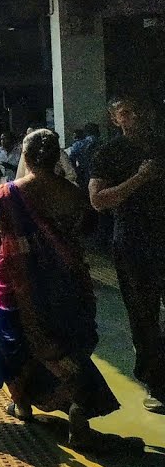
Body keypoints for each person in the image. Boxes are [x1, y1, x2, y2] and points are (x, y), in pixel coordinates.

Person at [0, 130, 119, 448]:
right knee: (69, 342)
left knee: (19, 343)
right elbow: (84, 236)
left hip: (17, 283)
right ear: (55, 158)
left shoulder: (7, 194)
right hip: (66, 282)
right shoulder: (74, 195)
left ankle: (22, 405)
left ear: (25, 156)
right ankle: (79, 410)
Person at [89, 93, 165, 413]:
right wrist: (139, 178)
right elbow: (98, 200)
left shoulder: (161, 146)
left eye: (139, 110)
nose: (135, 117)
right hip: (134, 242)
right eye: (126, 112)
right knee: (143, 314)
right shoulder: (109, 154)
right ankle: (156, 383)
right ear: (115, 119)